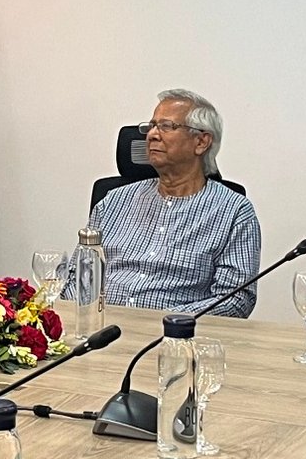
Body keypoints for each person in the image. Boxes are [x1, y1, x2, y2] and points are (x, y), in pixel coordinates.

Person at [86, 89, 260, 317]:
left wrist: (168, 320)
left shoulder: (234, 211)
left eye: (166, 126)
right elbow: (80, 276)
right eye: (151, 126)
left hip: (174, 334)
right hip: (100, 328)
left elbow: (236, 300)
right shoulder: (113, 201)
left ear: (201, 142)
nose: (152, 135)